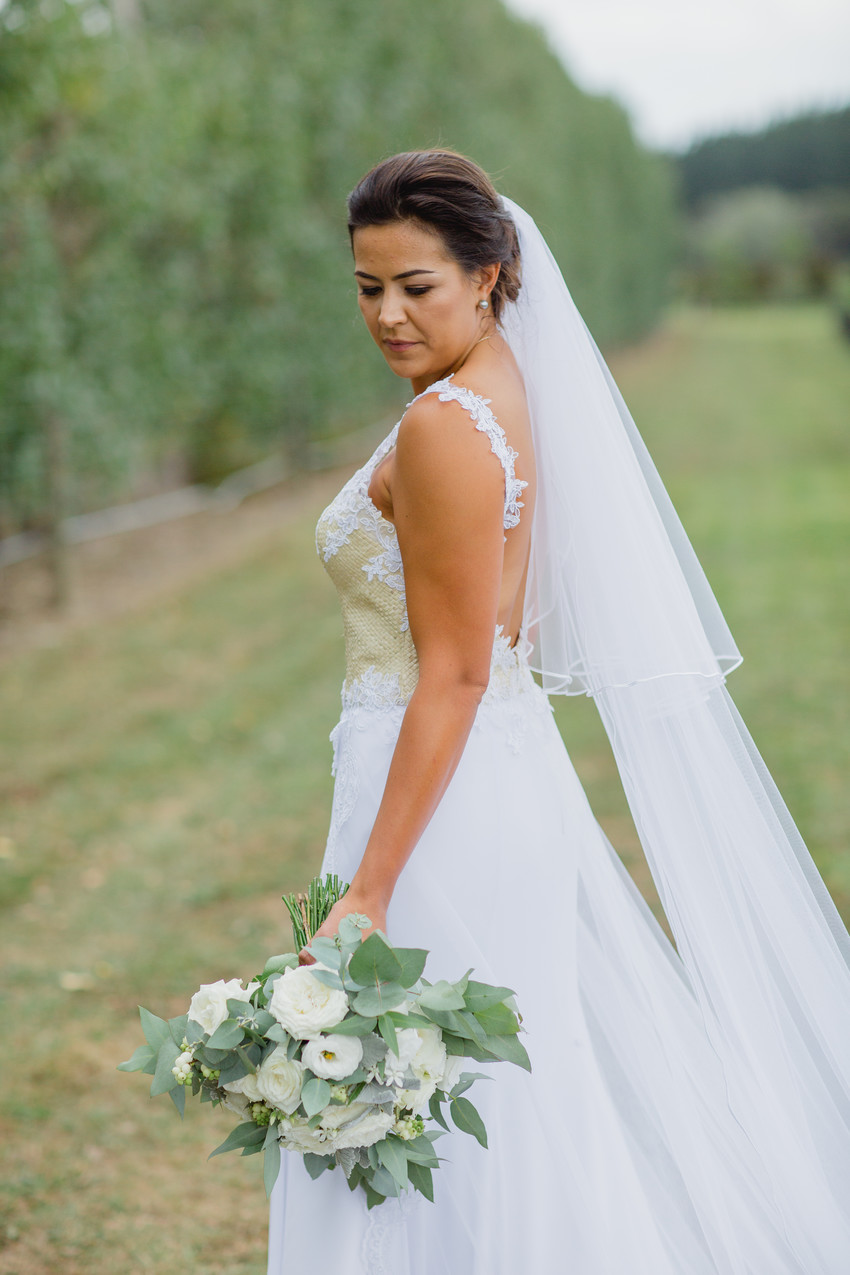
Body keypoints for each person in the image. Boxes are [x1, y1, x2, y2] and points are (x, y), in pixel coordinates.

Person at [267, 149, 850, 1273]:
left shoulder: (444, 426)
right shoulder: (500, 393)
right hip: (483, 774)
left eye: (416, 286)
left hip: (438, 790)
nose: (386, 314)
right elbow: (511, 628)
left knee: (429, 1093)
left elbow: (459, 671)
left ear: (488, 276)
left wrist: (370, 886)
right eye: (365, 286)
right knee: (493, 1087)